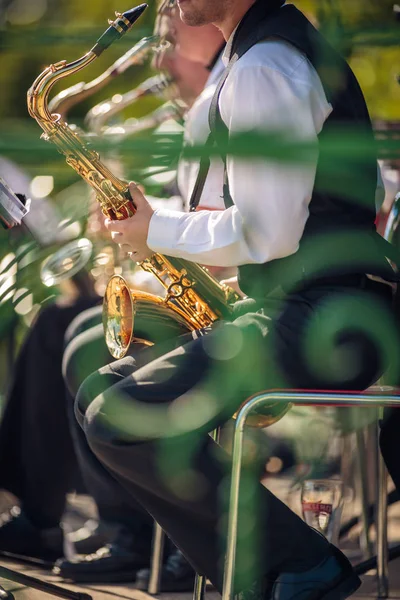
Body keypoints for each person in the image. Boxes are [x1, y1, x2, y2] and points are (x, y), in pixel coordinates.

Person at [70, 0, 400, 599]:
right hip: (309, 306)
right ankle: (258, 572)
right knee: (98, 393)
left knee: (120, 420)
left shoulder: (266, 65)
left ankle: (300, 566)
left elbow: (268, 232)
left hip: (333, 320)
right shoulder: (264, 52)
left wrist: (156, 230)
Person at [54, 4, 227, 587]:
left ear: (209, 43)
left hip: (246, 303)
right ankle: (134, 531)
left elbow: (251, 231)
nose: (158, 58)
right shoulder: (211, 110)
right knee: (80, 336)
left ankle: (174, 538)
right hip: (215, 289)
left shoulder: (253, 89)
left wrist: (152, 234)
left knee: (85, 344)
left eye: (170, 39)